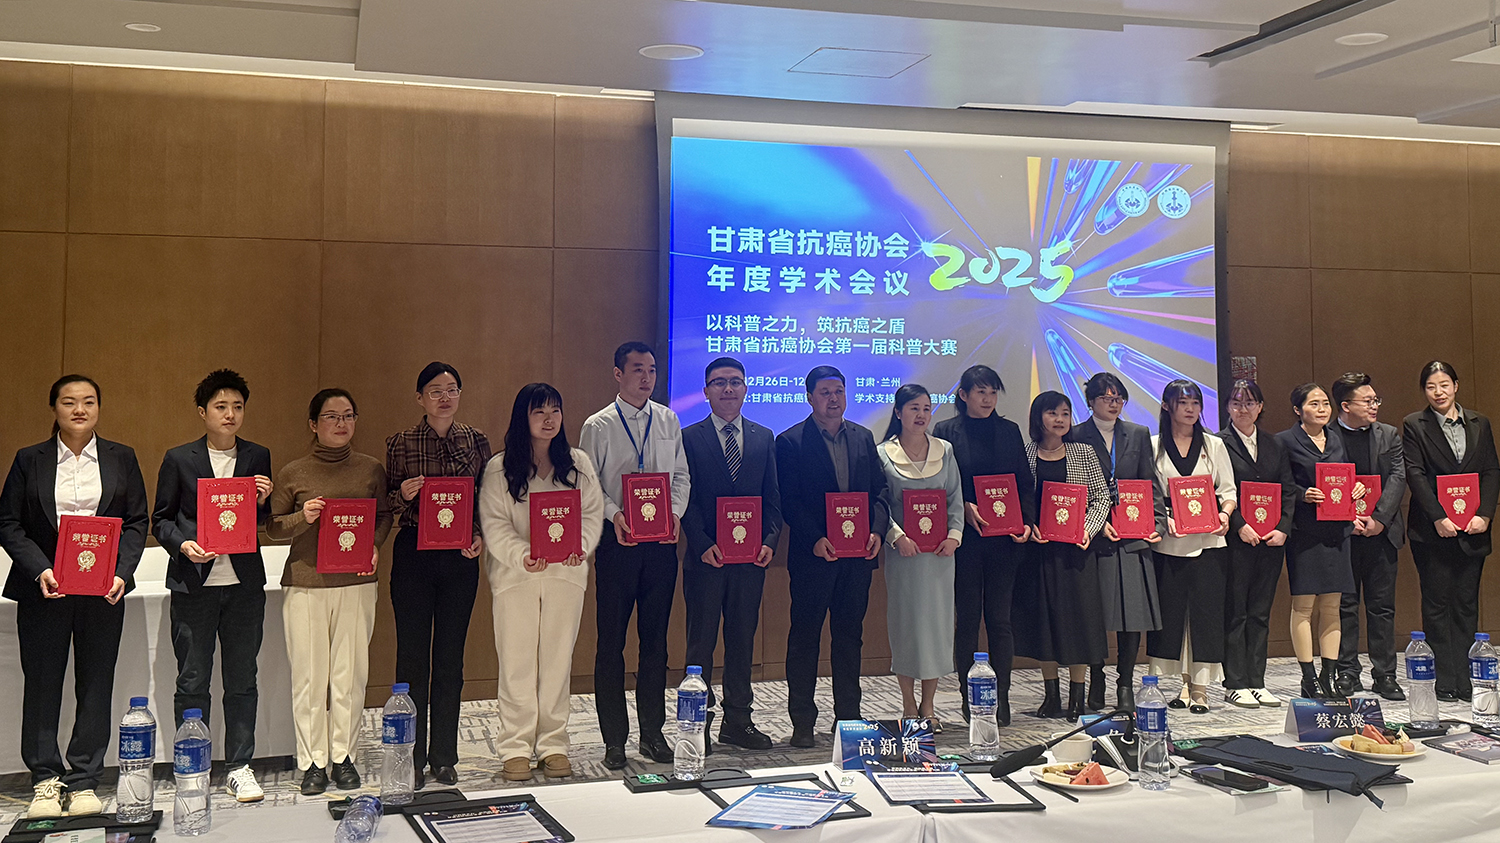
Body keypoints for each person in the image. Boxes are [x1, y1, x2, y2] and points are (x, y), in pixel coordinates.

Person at [0, 375, 148, 819]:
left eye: (88, 401)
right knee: (42, 684)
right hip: (44, 589)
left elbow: (137, 522)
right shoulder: (30, 459)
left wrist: (122, 573)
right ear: (55, 409)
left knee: (96, 682)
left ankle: (84, 779)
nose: (79, 410)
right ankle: (45, 779)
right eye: (69, 402)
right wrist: (40, 569)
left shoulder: (122, 457)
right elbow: (8, 523)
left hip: (103, 591)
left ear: (99, 407)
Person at [152, 369, 273, 802]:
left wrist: (263, 500)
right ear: (203, 412)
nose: (230, 414)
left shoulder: (257, 456)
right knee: (192, 679)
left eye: (237, 406)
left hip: (243, 586)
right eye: (221, 406)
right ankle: (192, 765)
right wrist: (183, 545)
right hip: (194, 586)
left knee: (242, 678)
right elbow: (160, 520)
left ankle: (240, 766)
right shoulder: (179, 459)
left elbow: (261, 521)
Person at [267, 388, 391, 795]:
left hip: (357, 583)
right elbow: (273, 526)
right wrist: (302, 517)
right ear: (313, 424)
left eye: (348, 415)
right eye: (332, 416)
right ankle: (313, 762)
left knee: (349, 676)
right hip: (307, 584)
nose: (342, 423)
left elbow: (384, 516)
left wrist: (374, 545)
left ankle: (344, 756)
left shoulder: (371, 469)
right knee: (309, 677)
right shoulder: (294, 472)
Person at [479, 383, 603, 781]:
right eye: (539, 412)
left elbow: (591, 515)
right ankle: (515, 746)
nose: (549, 419)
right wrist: (522, 555)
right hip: (515, 577)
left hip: (566, 575)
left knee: (557, 661)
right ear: (523, 417)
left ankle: (553, 744)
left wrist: (580, 546)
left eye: (555, 411)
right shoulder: (500, 467)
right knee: (517, 662)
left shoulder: (578, 463)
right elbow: (494, 524)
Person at [579, 342, 691, 770]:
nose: (647, 377)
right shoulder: (598, 425)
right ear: (618, 374)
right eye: (638, 369)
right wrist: (616, 516)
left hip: (661, 546)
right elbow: (588, 483)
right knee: (611, 642)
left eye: (652, 370)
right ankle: (614, 740)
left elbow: (681, 476)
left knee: (655, 642)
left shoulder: (668, 419)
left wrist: (675, 514)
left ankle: (652, 734)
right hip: (618, 544)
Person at [385, 362, 491, 788]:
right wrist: (402, 492)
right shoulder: (401, 442)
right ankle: (409, 756)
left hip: (460, 556)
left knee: (450, 658)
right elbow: (386, 503)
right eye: (435, 391)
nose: (445, 398)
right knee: (411, 658)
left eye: (452, 390)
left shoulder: (476, 440)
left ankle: (444, 756)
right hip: (414, 553)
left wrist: (479, 534)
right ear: (420, 398)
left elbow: (486, 498)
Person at [777, 365, 889, 747]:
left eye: (839, 391)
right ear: (810, 398)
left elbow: (880, 491)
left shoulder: (863, 437)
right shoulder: (790, 441)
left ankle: (848, 717)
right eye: (825, 392)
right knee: (804, 638)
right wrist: (815, 538)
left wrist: (876, 530)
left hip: (857, 558)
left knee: (849, 637)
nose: (833, 398)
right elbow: (789, 501)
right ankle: (802, 722)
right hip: (814, 557)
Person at [680, 357, 783, 752]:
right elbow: (685, 499)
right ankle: (696, 726)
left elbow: (772, 498)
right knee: (700, 645)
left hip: (750, 562)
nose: (728, 389)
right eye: (719, 382)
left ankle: (738, 721)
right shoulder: (689, 437)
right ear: (706, 391)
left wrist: (769, 541)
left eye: (735, 382)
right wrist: (701, 542)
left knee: (742, 641)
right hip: (705, 560)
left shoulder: (763, 436)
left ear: (746, 389)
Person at [932, 365, 1034, 726]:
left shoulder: (1009, 431)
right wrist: (963, 506)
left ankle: (1001, 695)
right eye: (980, 392)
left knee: (1000, 620)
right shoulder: (946, 432)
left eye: (993, 392)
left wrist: (1027, 521)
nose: (988, 399)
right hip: (965, 540)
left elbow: (1023, 482)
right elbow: (940, 485)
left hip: (1004, 540)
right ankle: (968, 694)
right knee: (968, 619)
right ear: (963, 395)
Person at [1402, 361, 1500, 701]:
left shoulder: (1479, 422)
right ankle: (1444, 679)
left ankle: (1466, 677)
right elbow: (1415, 474)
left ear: (1456, 386)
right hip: (1433, 531)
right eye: (1431, 387)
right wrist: (1438, 517)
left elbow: (1491, 470)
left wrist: (1485, 514)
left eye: (1444, 385)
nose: (1438, 392)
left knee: (1466, 603)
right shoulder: (1414, 424)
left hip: (1473, 528)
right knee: (1437, 603)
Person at [1066, 372, 1162, 712]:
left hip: (1133, 536)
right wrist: (1097, 522)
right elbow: (1072, 490)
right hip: (1093, 537)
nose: (1114, 404)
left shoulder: (1137, 433)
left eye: (1119, 398)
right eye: (1107, 398)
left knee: (1131, 614)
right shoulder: (1075, 435)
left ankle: (1125, 683)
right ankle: (1096, 676)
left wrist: (1157, 523)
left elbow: (1149, 482)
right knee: (1095, 613)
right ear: (1090, 401)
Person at [1015, 391, 1111, 720]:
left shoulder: (1084, 452)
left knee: (1079, 623)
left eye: (1065, 413)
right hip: (1038, 552)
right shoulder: (1025, 453)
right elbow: (1019, 499)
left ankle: (1077, 696)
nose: (1059, 419)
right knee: (1044, 624)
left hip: (1076, 552)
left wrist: (1088, 529)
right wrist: (1028, 525)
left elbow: (1101, 498)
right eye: (1052, 413)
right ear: (1038, 417)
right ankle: (1051, 695)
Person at [1147, 380, 1236, 714]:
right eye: (1182, 402)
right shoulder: (1153, 445)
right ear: (1166, 405)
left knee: (1206, 614)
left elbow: (1228, 491)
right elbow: (1148, 493)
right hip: (1170, 541)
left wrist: (1225, 514)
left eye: (1195, 403)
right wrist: (1164, 518)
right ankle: (1182, 684)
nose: (1190, 409)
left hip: (1209, 540)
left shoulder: (1213, 445)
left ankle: (1200, 688)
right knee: (1173, 615)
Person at [877, 384, 963, 724]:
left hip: (940, 556)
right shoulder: (883, 453)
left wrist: (954, 537)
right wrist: (896, 537)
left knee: (937, 628)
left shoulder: (945, 450)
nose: (921, 415)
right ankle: (908, 704)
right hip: (905, 556)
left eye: (927, 408)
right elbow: (880, 504)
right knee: (907, 626)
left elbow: (955, 499)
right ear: (898, 412)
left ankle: (929, 705)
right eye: (914, 408)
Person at [1276, 383, 1358, 700]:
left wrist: (1357, 489)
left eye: (1325, 403)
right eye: (1314, 404)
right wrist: (1302, 494)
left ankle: (1329, 675)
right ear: (1298, 410)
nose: (1322, 409)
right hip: (1305, 533)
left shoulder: (1337, 438)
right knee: (1304, 607)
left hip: (1337, 532)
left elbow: (1347, 476)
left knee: (1333, 607)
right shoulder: (1285, 441)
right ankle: (1308, 676)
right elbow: (1280, 484)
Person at [1329, 372, 1407, 701]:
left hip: (1380, 533)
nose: (1375, 406)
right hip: (1342, 534)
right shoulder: (1325, 436)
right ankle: (1347, 671)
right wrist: (1349, 520)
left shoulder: (1388, 434)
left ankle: (1385, 674)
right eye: (1368, 401)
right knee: (1344, 606)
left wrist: (1379, 520)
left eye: (1376, 400)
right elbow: (1327, 482)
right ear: (1346, 406)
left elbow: (1398, 477)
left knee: (1382, 606)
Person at [1218, 379, 1293, 709]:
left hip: (1271, 541)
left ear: (1260, 407)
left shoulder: (1275, 444)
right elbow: (1217, 491)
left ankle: (1257, 681)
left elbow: (1288, 489)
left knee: (1260, 612)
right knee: (1236, 612)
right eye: (1236, 403)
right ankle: (1235, 682)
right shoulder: (1218, 443)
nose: (1243, 409)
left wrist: (1283, 528)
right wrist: (1239, 525)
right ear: (1227, 407)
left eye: (1250, 403)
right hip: (1236, 541)